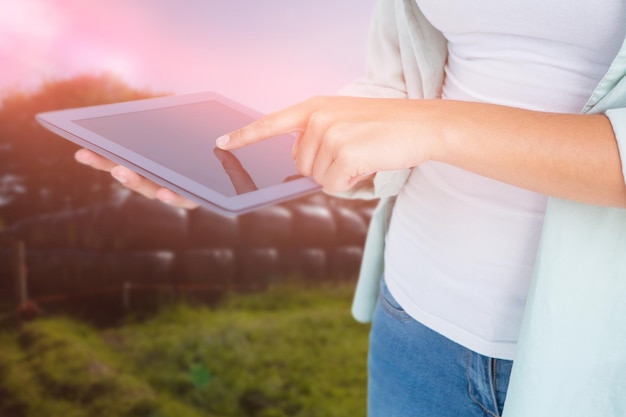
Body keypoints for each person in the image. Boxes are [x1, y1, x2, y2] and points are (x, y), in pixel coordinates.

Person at [75, 0, 626, 415]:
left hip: (597, 362)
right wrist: (262, 142)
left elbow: (424, 122)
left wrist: (435, 128)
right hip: (415, 325)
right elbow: (405, 83)